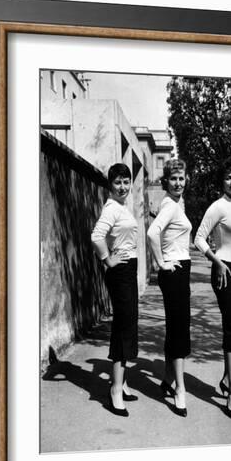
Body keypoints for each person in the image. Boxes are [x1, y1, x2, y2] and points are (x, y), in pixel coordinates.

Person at [194, 165, 231, 418]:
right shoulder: (217, 207)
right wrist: (216, 261)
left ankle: (228, 381)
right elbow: (199, 238)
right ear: (222, 182)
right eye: (227, 177)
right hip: (223, 270)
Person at [91, 163, 139, 417]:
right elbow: (96, 236)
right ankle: (115, 390)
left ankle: (123, 381)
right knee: (123, 327)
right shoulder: (111, 208)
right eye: (118, 182)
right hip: (120, 271)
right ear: (110, 185)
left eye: (126, 181)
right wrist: (108, 260)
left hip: (128, 269)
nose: (123, 186)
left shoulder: (122, 207)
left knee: (128, 325)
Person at [147, 159, 192, 417]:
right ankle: (180, 390)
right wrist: (162, 264)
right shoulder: (169, 205)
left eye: (181, 178)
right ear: (167, 181)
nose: (178, 183)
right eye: (174, 178)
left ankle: (167, 379)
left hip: (179, 270)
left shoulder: (176, 204)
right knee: (178, 330)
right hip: (173, 272)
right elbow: (153, 233)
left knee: (176, 327)